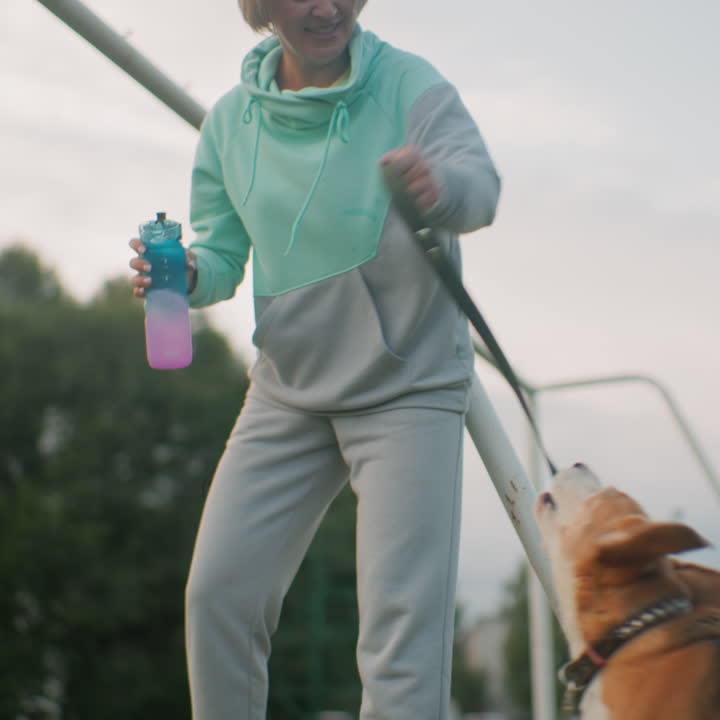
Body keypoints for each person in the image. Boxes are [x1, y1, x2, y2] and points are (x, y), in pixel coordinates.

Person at [128, 0, 499, 716]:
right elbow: (223, 253)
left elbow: (477, 184)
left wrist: (440, 188)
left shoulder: (408, 85)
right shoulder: (229, 124)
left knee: (399, 638)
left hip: (407, 389)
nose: (326, 7)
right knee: (217, 598)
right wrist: (185, 275)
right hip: (288, 393)